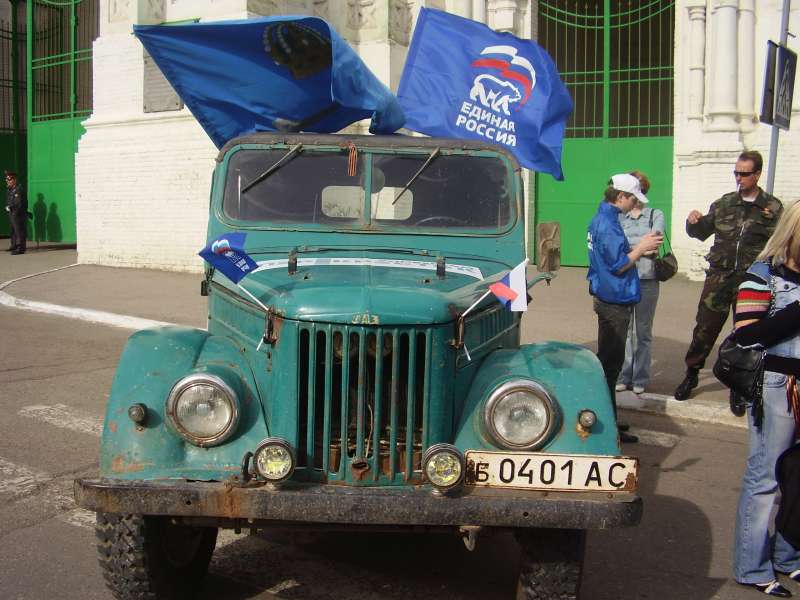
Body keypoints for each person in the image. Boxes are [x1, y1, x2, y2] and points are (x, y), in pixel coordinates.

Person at [674, 151, 783, 401]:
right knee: (705, 327)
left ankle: (738, 384)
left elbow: (780, 243)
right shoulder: (724, 203)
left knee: (746, 332)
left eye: (744, 173)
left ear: (757, 174)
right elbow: (701, 232)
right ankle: (692, 373)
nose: (739, 178)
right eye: (736, 173)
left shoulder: (773, 208)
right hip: (719, 278)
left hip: (751, 281)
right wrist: (693, 222)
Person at [732, 200, 800, 597]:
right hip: (777, 385)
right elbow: (745, 334)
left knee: (797, 477)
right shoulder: (763, 275)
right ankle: (752, 567)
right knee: (766, 476)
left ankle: (788, 556)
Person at [588, 173, 663, 444]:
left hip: (609, 295)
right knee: (611, 366)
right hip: (614, 299)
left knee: (610, 363)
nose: (635, 204)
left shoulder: (603, 218)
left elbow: (612, 254)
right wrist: (641, 248)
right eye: (633, 198)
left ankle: (609, 418)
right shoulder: (608, 224)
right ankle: (608, 427)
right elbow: (618, 265)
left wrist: (634, 247)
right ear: (620, 197)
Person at [615, 171, 664, 394]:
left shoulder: (655, 214)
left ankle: (640, 378)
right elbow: (617, 248)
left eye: (640, 189)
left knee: (642, 332)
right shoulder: (619, 217)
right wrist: (641, 246)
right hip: (624, 279)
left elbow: (654, 244)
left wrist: (633, 247)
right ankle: (624, 375)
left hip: (647, 280)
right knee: (624, 331)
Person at [4, 170, 27, 255]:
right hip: (12, 213)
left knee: (19, 231)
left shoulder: (18, 189)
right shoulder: (10, 189)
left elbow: (19, 203)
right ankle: (13, 245)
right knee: (13, 230)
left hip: (18, 213)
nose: (7, 181)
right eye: (6, 179)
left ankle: (21, 248)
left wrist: (10, 207)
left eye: (9, 179)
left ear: (14, 180)